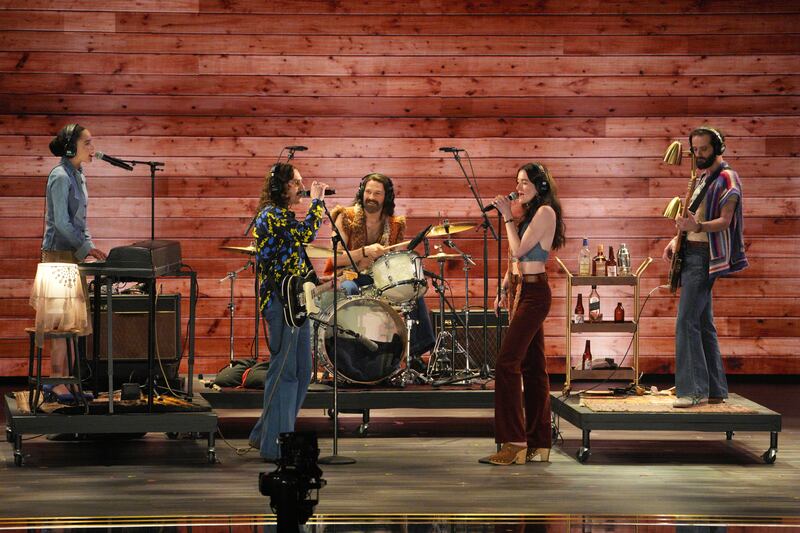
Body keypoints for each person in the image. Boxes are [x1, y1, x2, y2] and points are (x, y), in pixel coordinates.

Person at [480, 162, 565, 465]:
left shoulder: (545, 213)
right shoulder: (531, 214)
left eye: (525, 183)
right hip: (522, 288)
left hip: (535, 293)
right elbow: (516, 258)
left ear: (541, 186)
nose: (518, 188)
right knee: (532, 366)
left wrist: (505, 218)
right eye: (517, 182)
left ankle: (514, 441)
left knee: (506, 363)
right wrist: (505, 284)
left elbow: (517, 250)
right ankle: (539, 443)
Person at [248, 162, 329, 461]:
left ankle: (263, 434)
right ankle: (276, 446)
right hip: (280, 302)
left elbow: (296, 255)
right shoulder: (271, 216)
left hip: (295, 301)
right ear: (281, 187)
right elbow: (306, 234)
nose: (301, 186)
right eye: (296, 182)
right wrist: (318, 201)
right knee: (284, 374)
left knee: (302, 372)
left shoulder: (283, 217)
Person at [662, 127, 747, 408]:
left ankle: (693, 390)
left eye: (704, 150)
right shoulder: (702, 178)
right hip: (692, 251)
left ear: (718, 148)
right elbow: (691, 216)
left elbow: (725, 220)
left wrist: (696, 227)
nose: (698, 155)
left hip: (704, 256)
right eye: (695, 150)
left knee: (686, 322)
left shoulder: (726, 178)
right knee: (702, 323)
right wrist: (677, 239)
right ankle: (714, 388)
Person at [323, 172, 435, 366]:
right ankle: (345, 354)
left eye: (377, 193)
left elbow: (396, 263)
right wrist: (363, 252)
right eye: (368, 192)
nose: (371, 197)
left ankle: (415, 353)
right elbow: (334, 259)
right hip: (349, 276)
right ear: (361, 192)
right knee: (347, 289)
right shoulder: (346, 217)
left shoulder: (395, 224)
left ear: (386, 197)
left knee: (413, 290)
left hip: (379, 279)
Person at [41, 124, 107, 402]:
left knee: (71, 325)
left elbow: (81, 221)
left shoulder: (78, 175)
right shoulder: (59, 176)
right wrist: (86, 248)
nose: (93, 149)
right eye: (88, 143)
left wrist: (89, 245)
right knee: (59, 326)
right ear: (72, 147)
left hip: (71, 257)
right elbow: (61, 223)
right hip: (57, 257)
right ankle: (57, 383)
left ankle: (69, 381)